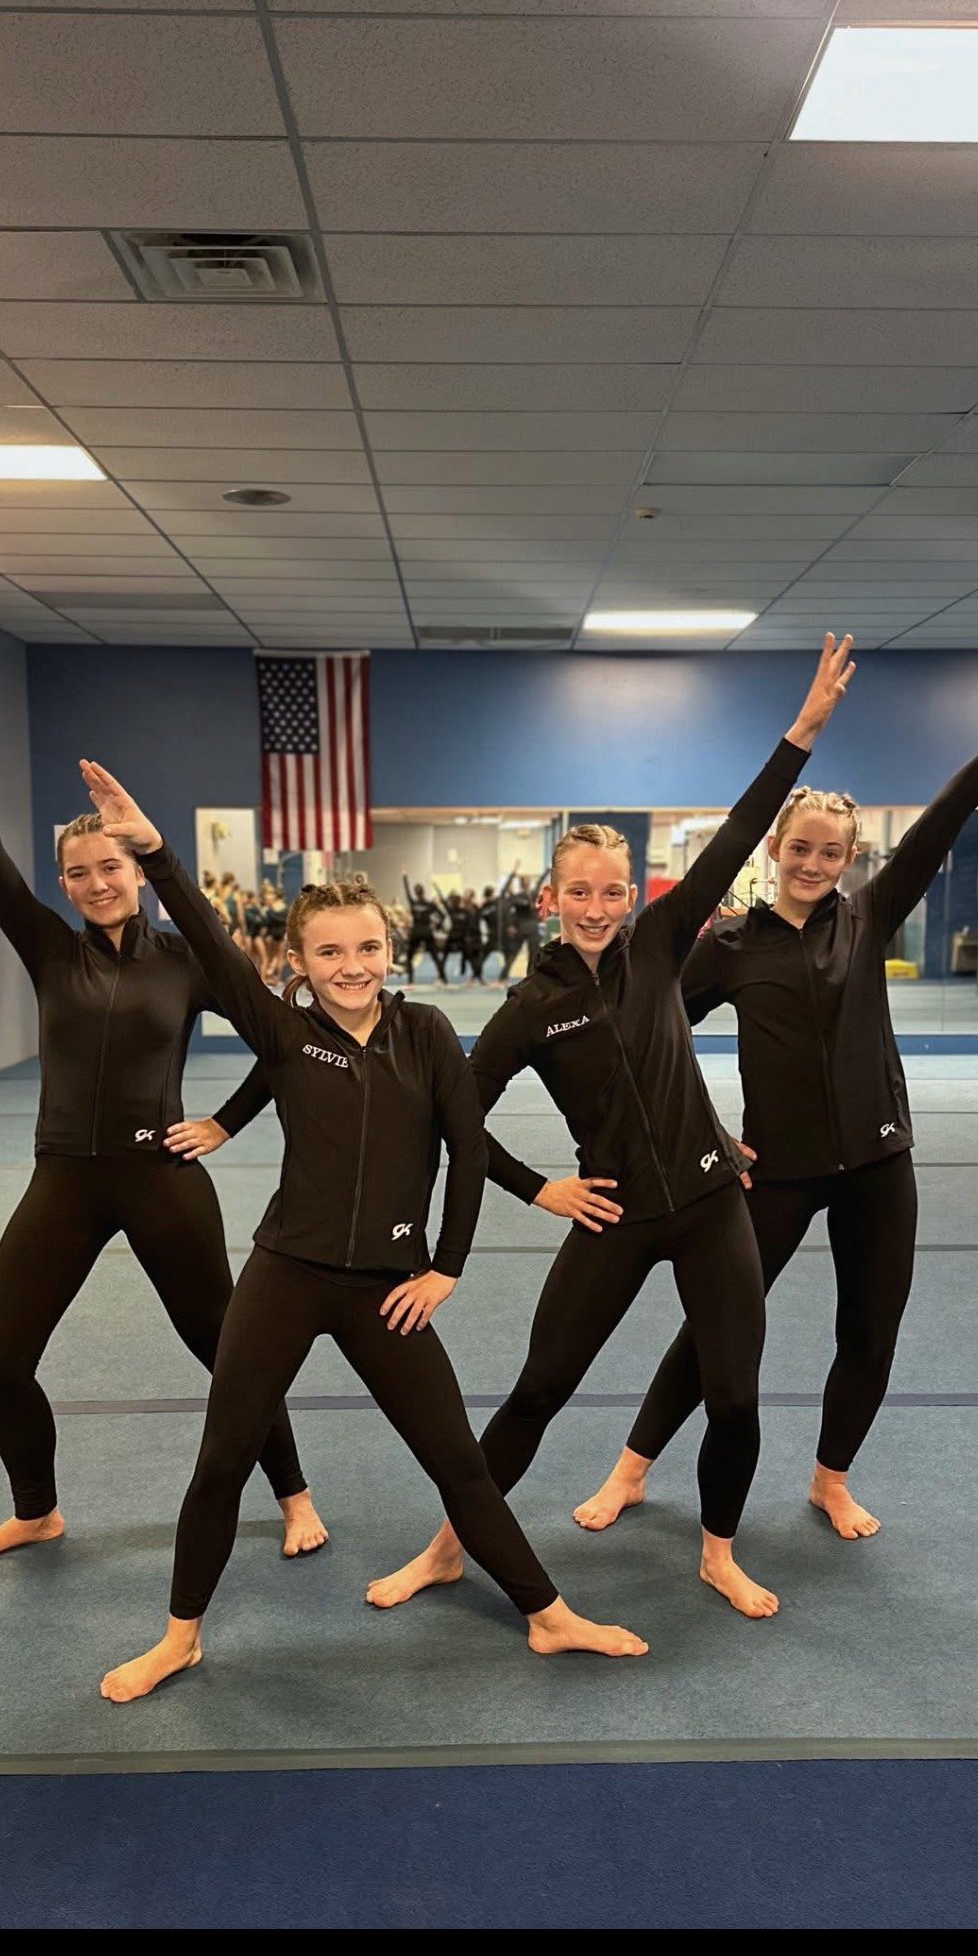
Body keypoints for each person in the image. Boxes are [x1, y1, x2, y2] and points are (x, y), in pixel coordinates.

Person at [75, 764, 650, 1702]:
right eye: (331, 953)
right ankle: (180, 1636)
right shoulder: (284, 1034)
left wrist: (446, 1270)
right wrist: (152, 850)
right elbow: (216, 946)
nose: (352, 967)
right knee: (223, 1457)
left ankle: (548, 1615)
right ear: (298, 962)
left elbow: (467, 1152)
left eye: (369, 948)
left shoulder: (426, 1034)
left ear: (393, 947)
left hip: (387, 1286)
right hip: (287, 1274)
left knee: (458, 1461)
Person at [363, 636, 856, 1625]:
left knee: (735, 1397)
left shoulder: (667, 945)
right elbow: (449, 1116)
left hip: (714, 1204)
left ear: (630, 895)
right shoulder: (529, 1007)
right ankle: (451, 1545)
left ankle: (718, 1552)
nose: (595, 908)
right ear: (552, 897)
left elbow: (741, 832)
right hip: (614, 1214)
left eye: (610, 892)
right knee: (539, 1388)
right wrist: (540, 1186)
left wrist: (801, 733)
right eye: (577, 893)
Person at [575, 662, 978, 1545]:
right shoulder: (730, 944)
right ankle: (632, 1468)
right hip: (775, 1171)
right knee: (716, 1328)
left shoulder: (869, 916)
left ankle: (831, 1478)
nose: (815, 864)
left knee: (869, 1328)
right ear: (774, 851)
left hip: (877, 1162)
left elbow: (945, 820)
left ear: (849, 860)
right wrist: (707, 1134)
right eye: (801, 849)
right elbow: (652, 1037)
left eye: (833, 853)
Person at [0, 654, 326, 1567]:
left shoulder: (188, 960)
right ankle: (37, 1508)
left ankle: (293, 1492)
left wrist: (223, 1123)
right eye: (79, 871)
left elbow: (279, 1049)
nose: (95, 883)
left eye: (111, 867)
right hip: (66, 1178)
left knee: (228, 1356)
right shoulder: (50, 950)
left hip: (161, 1179)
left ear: (137, 869)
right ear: (65, 883)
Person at [402, 875, 447, 983]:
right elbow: (442, 915)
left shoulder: (413, 903)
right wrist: (437, 925)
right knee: (435, 957)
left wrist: (404, 877)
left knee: (409, 957)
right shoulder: (429, 904)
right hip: (427, 931)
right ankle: (443, 979)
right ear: (423, 892)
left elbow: (407, 892)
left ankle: (410, 982)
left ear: (416, 893)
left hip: (416, 932)